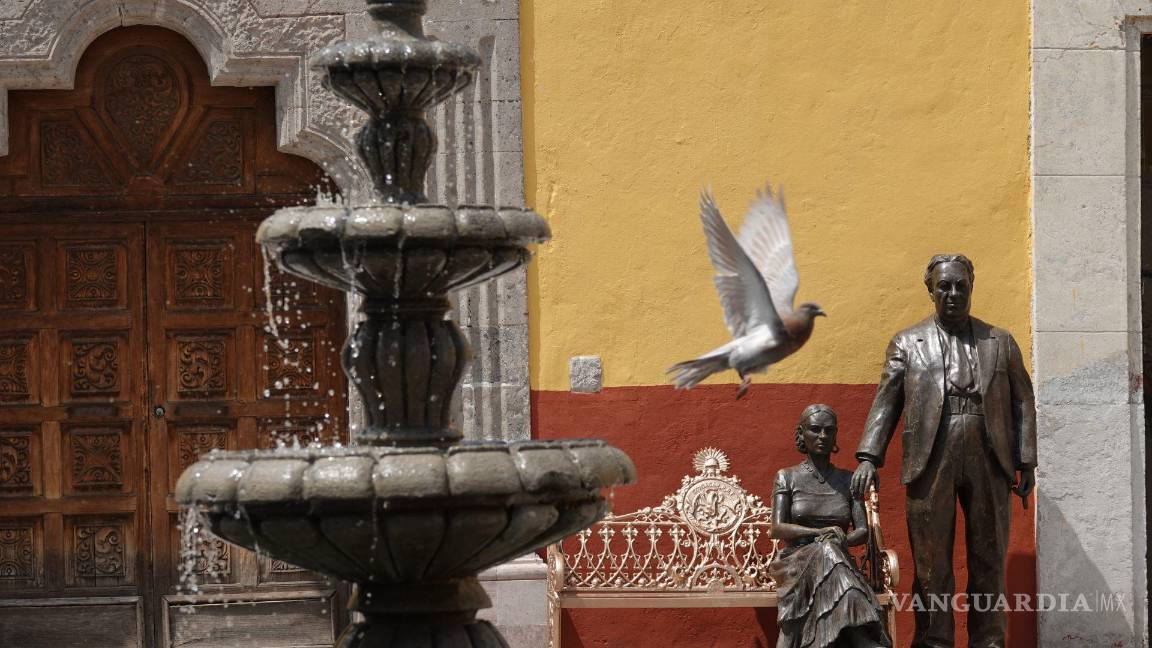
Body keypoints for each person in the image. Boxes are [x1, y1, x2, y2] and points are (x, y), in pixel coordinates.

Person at [851, 254, 1037, 648]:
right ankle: (934, 642)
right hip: (929, 457)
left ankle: (988, 641)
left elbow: (1022, 400)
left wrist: (1026, 460)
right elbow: (887, 402)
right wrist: (869, 456)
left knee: (989, 559)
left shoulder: (1000, 341)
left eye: (960, 285)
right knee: (931, 564)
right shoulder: (907, 342)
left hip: (991, 456)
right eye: (944, 286)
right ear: (931, 290)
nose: (953, 293)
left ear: (971, 287)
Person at [770, 403, 891, 648]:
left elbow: (862, 531)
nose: (822, 436)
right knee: (827, 551)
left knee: (830, 551)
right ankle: (859, 639)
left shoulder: (848, 480)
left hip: (837, 559)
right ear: (801, 433)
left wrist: (841, 539)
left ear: (836, 434)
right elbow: (777, 528)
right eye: (815, 430)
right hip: (795, 560)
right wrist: (819, 533)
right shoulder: (787, 476)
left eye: (829, 430)